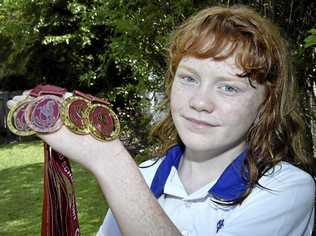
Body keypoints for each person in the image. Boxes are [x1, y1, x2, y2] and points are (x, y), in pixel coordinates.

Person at [7, 4, 315, 236]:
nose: (199, 102)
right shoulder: (141, 176)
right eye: (189, 78)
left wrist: (110, 161)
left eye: (228, 87)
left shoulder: (286, 190)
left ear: (266, 104)